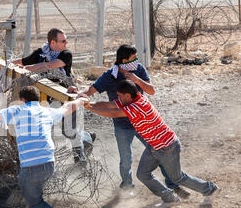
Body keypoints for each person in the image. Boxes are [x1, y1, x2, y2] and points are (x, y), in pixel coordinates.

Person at [68, 44, 191, 199]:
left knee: (160, 153)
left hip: (144, 125)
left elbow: (151, 91)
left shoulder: (138, 70)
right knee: (126, 159)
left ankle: (173, 186)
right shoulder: (109, 76)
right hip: (122, 125)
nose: (136, 62)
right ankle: (127, 186)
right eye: (133, 59)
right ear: (123, 60)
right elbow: (90, 92)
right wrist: (78, 93)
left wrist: (137, 80)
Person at [84, 80, 221, 208]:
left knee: (178, 177)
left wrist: (89, 107)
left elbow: (113, 113)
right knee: (143, 174)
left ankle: (210, 189)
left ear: (127, 95)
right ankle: (169, 198)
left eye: (120, 96)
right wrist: (89, 103)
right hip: (155, 146)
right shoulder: (132, 99)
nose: (118, 99)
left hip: (167, 147)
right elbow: (110, 105)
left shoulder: (137, 106)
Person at [12, 28, 95, 164]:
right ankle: (86, 137)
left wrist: (30, 68)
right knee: (55, 130)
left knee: (69, 131)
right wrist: (9, 65)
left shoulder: (66, 54)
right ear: (52, 42)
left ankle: (81, 160)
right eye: (63, 41)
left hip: (66, 96)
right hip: (47, 98)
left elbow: (51, 65)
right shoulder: (40, 53)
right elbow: (22, 61)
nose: (66, 43)